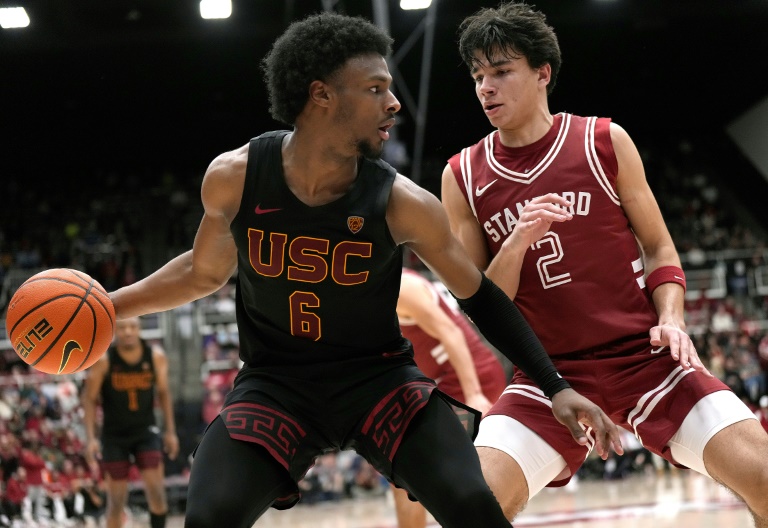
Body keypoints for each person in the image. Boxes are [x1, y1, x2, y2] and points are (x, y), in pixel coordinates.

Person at [105, 12, 622, 528]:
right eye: (376, 89)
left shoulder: (402, 202)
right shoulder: (235, 177)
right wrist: (108, 307)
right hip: (276, 383)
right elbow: (202, 272)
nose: (393, 103)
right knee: (209, 516)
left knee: (473, 507)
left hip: (378, 381)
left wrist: (555, 387)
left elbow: (480, 296)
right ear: (322, 95)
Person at [440, 2, 768, 526]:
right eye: (478, 75)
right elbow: (480, 303)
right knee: (471, 507)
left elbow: (660, 249)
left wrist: (673, 317)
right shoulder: (463, 175)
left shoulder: (603, 142)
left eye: (501, 72)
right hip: (548, 376)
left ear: (542, 72)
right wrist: (518, 240)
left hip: (645, 357)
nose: (486, 87)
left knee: (766, 480)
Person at [393, 267, 508, 528]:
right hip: (444, 383)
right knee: (402, 471)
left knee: (447, 475)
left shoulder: (401, 287)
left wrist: (474, 393)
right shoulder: (378, 290)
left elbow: (451, 333)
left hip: (470, 379)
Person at [82, 317, 179, 528]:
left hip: (146, 432)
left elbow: (163, 392)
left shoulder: (156, 357)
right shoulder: (105, 360)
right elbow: (89, 399)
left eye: (133, 327)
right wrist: (90, 438)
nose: (128, 331)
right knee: (116, 503)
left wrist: (170, 431)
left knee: (157, 494)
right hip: (114, 436)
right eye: (123, 327)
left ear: (140, 330)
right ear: (115, 331)